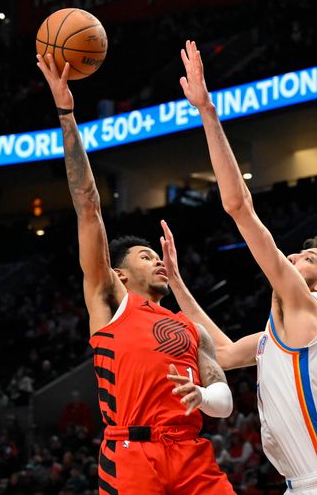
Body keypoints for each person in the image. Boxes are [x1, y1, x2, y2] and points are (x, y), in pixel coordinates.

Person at [161, 40, 317, 494]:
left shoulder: (307, 310)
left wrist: (207, 112)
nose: (295, 258)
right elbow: (220, 349)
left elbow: (238, 206)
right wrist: (176, 282)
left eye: (309, 260)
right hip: (300, 486)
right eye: (298, 253)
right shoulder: (278, 335)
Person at [36, 53, 234, 494]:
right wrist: (66, 114)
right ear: (120, 274)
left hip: (191, 451)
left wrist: (201, 397)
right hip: (131, 454)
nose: (157, 260)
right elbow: (87, 203)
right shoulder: (111, 302)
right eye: (145, 256)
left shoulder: (191, 328)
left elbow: (224, 398)